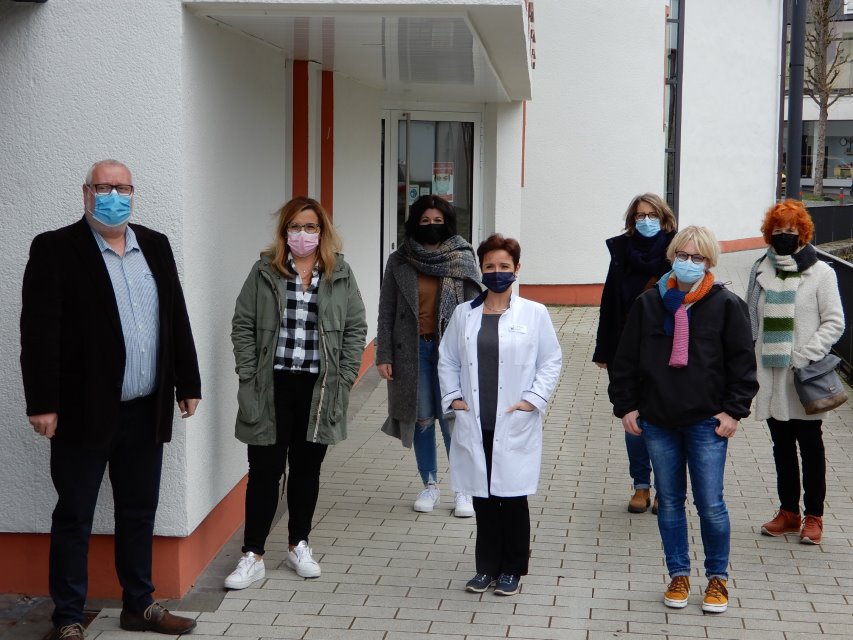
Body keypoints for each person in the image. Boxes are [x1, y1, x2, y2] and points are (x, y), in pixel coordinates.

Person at [20, 160, 202, 639]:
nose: (112, 195)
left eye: (121, 187)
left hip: (145, 408)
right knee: (75, 514)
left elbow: (175, 317)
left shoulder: (156, 246)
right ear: (86, 193)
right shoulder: (56, 249)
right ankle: (68, 618)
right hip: (82, 412)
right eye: (103, 187)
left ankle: (138, 604)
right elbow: (39, 333)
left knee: (139, 511)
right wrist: (42, 403)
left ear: (133, 192)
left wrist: (189, 382)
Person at [609, 226, 758, 614]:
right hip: (658, 422)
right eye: (683, 256)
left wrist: (733, 411)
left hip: (708, 423)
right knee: (671, 502)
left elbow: (743, 364)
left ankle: (717, 579)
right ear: (672, 256)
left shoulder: (727, 305)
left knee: (710, 504)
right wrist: (626, 406)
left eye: (697, 258)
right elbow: (624, 362)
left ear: (709, 263)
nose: (689, 263)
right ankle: (678, 574)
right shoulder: (648, 304)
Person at [225, 196, 366, 590]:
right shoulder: (264, 271)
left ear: (322, 231)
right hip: (271, 387)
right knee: (265, 472)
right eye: (295, 227)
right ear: (284, 231)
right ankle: (252, 555)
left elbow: (356, 327)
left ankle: (298, 544)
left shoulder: (340, 273)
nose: (302, 234)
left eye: (310, 227)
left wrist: (346, 374)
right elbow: (242, 324)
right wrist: (249, 373)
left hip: (319, 389)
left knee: (307, 471)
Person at [438, 234, 562, 596]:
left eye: (504, 267)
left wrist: (533, 399)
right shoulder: (465, 314)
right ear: (481, 269)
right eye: (490, 266)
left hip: (514, 419)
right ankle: (485, 568)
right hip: (475, 419)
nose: (496, 272)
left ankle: (512, 569)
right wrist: (454, 399)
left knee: (511, 497)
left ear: (517, 269)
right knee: (483, 497)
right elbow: (447, 359)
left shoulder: (534, 313)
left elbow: (551, 360)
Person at [376, 195, 482, 516]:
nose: (431, 226)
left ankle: (462, 490)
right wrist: (383, 354)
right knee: (422, 419)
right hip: (412, 351)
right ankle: (430, 485)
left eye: (437, 221)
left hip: (452, 352)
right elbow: (387, 310)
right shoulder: (399, 260)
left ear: (447, 222)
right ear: (414, 223)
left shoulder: (462, 256)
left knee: (453, 418)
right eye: (425, 221)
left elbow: (476, 309)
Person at [747, 200, 844, 545]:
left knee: (811, 446)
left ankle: (813, 516)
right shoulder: (761, 269)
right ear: (769, 233)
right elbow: (751, 322)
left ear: (802, 233)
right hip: (771, 376)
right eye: (778, 230)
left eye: (790, 231)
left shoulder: (821, 272)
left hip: (803, 377)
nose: (784, 235)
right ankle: (788, 512)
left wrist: (805, 355)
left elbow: (835, 322)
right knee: (781, 446)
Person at [593, 193, 677, 514]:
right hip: (625, 348)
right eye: (640, 215)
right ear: (632, 220)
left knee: (663, 421)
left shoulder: (676, 252)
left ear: (663, 217)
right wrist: (603, 349)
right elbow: (608, 303)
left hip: (664, 347)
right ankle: (641, 486)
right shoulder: (622, 252)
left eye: (651, 214)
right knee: (633, 419)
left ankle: (665, 489)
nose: (645, 220)